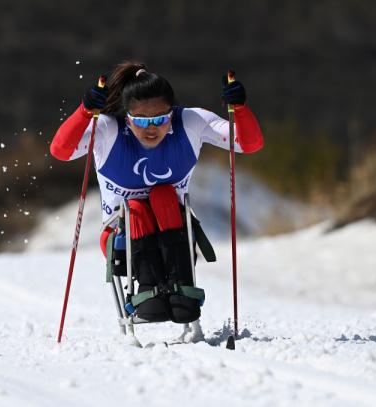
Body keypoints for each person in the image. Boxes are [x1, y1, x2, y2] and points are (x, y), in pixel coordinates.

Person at [50, 61, 263, 324]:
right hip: (122, 240)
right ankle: (148, 293)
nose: (151, 128)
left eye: (161, 119)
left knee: (163, 197)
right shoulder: (108, 129)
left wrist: (240, 109)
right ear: (127, 117)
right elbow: (61, 151)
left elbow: (248, 144)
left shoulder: (190, 122)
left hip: (174, 232)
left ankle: (182, 290)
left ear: (171, 113)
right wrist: (85, 112)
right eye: (140, 121)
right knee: (137, 207)